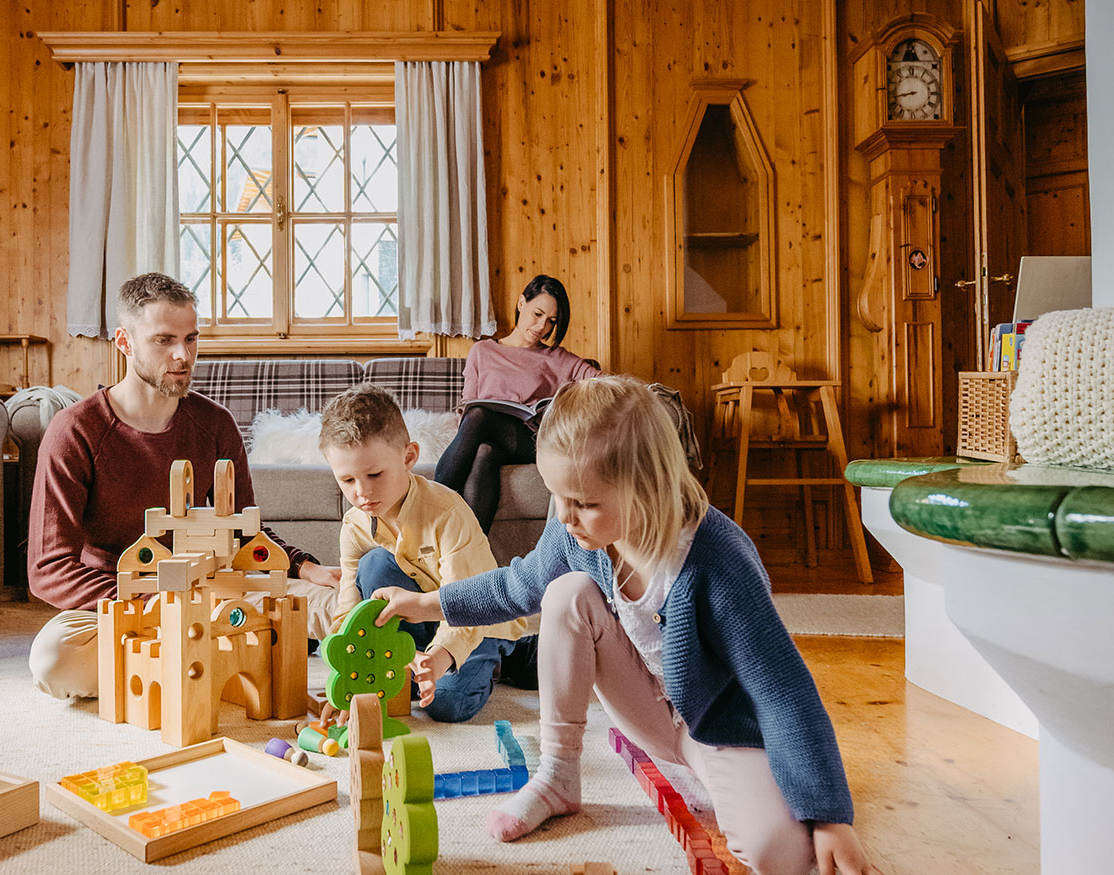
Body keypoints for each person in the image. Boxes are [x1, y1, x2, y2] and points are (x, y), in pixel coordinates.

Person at [375, 375, 880, 875]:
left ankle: (730, 782)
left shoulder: (717, 560)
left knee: (783, 856)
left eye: (586, 503)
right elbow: (518, 585)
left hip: (720, 732)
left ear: (647, 487)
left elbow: (783, 692)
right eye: (558, 496)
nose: (566, 517)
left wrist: (831, 816)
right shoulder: (577, 532)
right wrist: (426, 604)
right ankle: (558, 777)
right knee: (563, 593)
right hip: (651, 713)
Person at [26, 272, 341, 699]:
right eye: (163, 340)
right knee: (54, 661)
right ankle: (215, 667)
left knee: (335, 600)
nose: (183, 355)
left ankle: (190, 665)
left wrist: (304, 566)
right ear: (124, 341)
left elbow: (246, 531)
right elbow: (48, 570)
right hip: (124, 603)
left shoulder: (215, 424)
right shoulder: (75, 431)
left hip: (210, 590)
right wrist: (146, 597)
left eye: (191, 339)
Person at [316, 384, 538, 724]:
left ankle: (508, 654)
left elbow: (470, 601)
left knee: (445, 705)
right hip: (418, 621)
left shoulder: (447, 513)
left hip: (474, 620)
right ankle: (423, 658)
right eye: (347, 480)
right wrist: (352, 670)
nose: (362, 493)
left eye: (374, 474)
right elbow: (349, 598)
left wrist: (437, 659)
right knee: (373, 563)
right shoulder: (355, 524)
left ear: (408, 457)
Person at [434, 275, 601, 533]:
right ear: (521, 303)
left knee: (479, 416)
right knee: (484, 451)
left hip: (529, 441)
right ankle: (471, 554)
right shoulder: (482, 351)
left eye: (551, 321)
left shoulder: (556, 358)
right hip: (486, 435)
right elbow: (466, 406)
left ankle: (430, 509)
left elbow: (601, 382)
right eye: (537, 313)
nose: (542, 326)